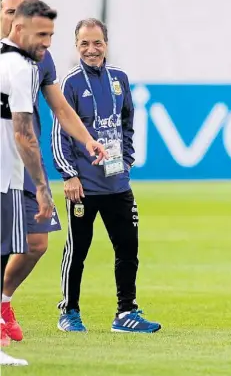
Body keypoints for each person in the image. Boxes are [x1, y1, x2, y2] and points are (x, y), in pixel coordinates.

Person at [1, 0, 105, 366]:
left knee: (36, 243)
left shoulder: (36, 61)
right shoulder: (12, 63)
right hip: (10, 166)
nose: (47, 44)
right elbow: (21, 128)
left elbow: (59, 107)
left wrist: (87, 139)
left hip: (23, 169)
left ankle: (4, 304)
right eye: (9, 11)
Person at [52, 18, 162, 333]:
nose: (91, 49)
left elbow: (127, 121)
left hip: (117, 182)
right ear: (76, 46)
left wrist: (126, 160)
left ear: (106, 44)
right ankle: (69, 312)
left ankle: (126, 313)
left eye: (97, 42)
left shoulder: (120, 79)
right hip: (83, 187)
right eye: (84, 43)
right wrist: (69, 175)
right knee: (77, 250)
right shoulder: (70, 83)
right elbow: (59, 134)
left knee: (128, 247)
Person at [1, 0, 60, 343]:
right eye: (42, 35)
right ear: (19, 28)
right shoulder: (20, 67)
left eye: (51, 35)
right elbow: (24, 133)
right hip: (10, 175)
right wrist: (42, 187)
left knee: (29, 245)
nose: (48, 43)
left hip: (10, 174)